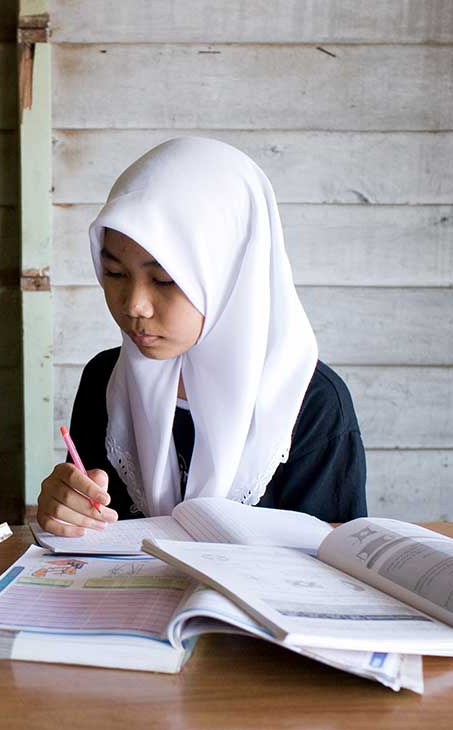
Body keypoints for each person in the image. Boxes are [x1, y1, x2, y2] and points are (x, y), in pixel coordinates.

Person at [37, 138, 366, 537]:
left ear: (231, 276)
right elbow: (90, 543)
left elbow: (339, 559)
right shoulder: (105, 382)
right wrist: (66, 512)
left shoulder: (309, 402)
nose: (135, 305)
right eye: (115, 274)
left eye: (165, 279)